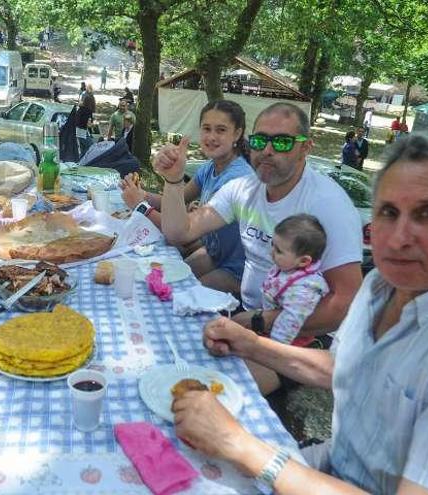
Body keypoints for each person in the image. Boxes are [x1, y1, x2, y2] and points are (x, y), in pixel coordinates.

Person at [173, 133, 428, 494]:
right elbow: (349, 369)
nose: (398, 238)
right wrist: (253, 345)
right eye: (388, 212)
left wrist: (239, 445)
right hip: (334, 466)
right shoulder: (383, 286)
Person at [154, 102, 362, 392]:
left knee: (206, 391)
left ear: (306, 148)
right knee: (165, 351)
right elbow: (180, 231)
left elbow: (347, 300)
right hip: (249, 314)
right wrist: (173, 181)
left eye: (282, 141)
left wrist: (259, 322)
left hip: (298, 335)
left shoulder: (328, 204)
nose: (267, 150)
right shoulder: (245, 188)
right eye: (260, 140)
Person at [122, 100, 253, 296]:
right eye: (206, 129)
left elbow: (180, 232)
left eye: (221, 130)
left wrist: (140, 206)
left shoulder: (236, 179)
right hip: (214, 253)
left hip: (238, 271)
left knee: (179, 295)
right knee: (155, 281)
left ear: (237, 133)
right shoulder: (211, 167)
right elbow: (175, 202)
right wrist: (142, 194)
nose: (211, 137)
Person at [259, 214, 328, 346]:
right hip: (268, 328)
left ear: (303, 261)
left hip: (290, 342)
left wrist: (273, 347)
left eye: (278, 251)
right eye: (272, 244)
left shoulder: (305, 288)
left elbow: (291, 320)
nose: (271, 252)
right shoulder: (288, 267)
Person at [76, 84, 96, 157]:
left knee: (83, 150)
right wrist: (95, 124)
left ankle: (81, 163)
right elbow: (88, 125)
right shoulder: (88, 111)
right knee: (92, 147)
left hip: (78, 132)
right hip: (83, 132)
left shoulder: (80, 110)